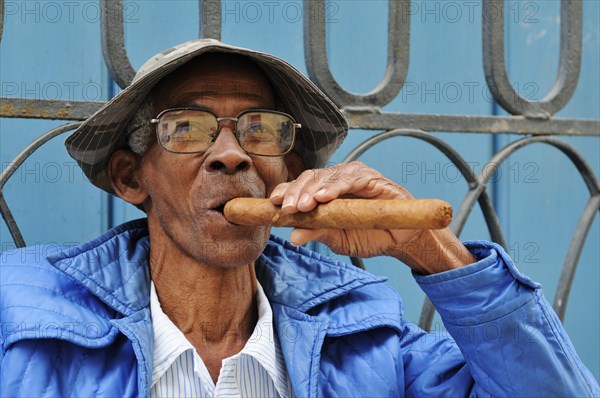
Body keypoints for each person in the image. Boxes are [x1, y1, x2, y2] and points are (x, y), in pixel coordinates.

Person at [1, 39, 598, 397]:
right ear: (132, 178)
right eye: (186, 127)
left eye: (258, 129)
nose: (232, 153)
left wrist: (430, 251)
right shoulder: (24, 317)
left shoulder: (367, 340)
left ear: (285, 172)